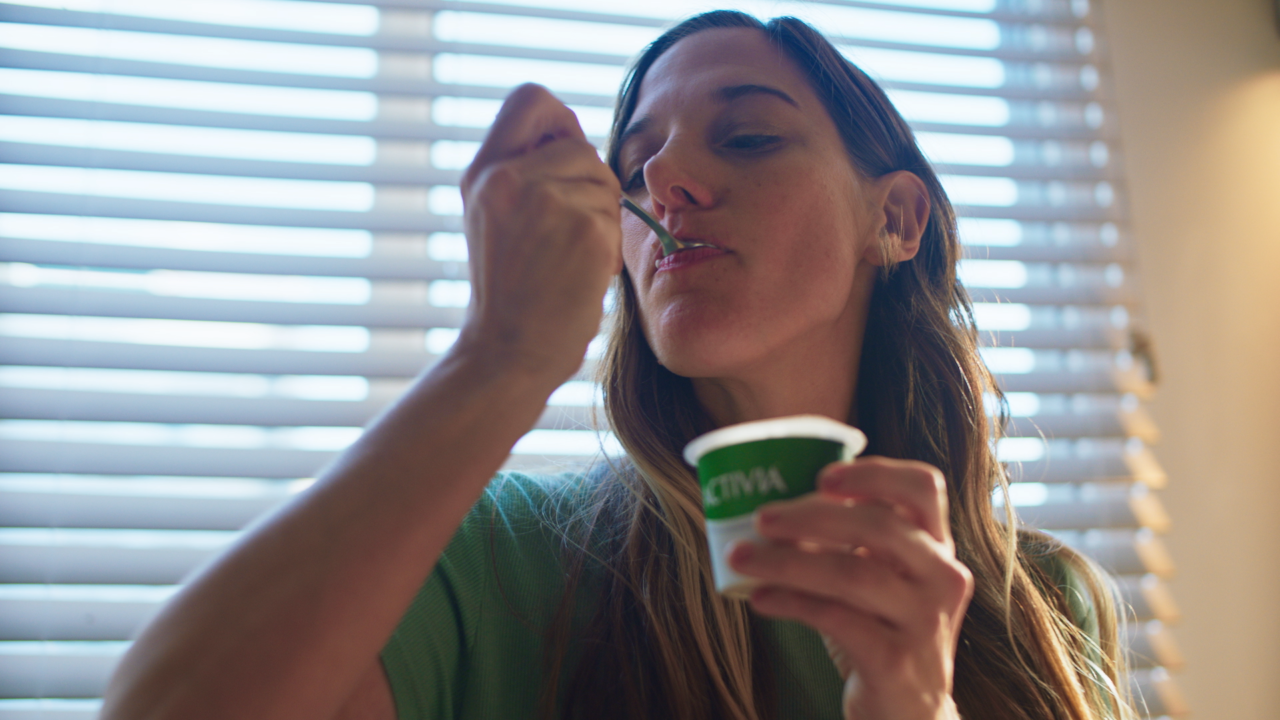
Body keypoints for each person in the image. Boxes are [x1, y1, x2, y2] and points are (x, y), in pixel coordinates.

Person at [101, 10, 1133, 720]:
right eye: (637, 163)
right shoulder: (501, 559)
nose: (667, 180)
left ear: (893, 218)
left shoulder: (1039, 601)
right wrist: (497, 358)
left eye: (747, 138)